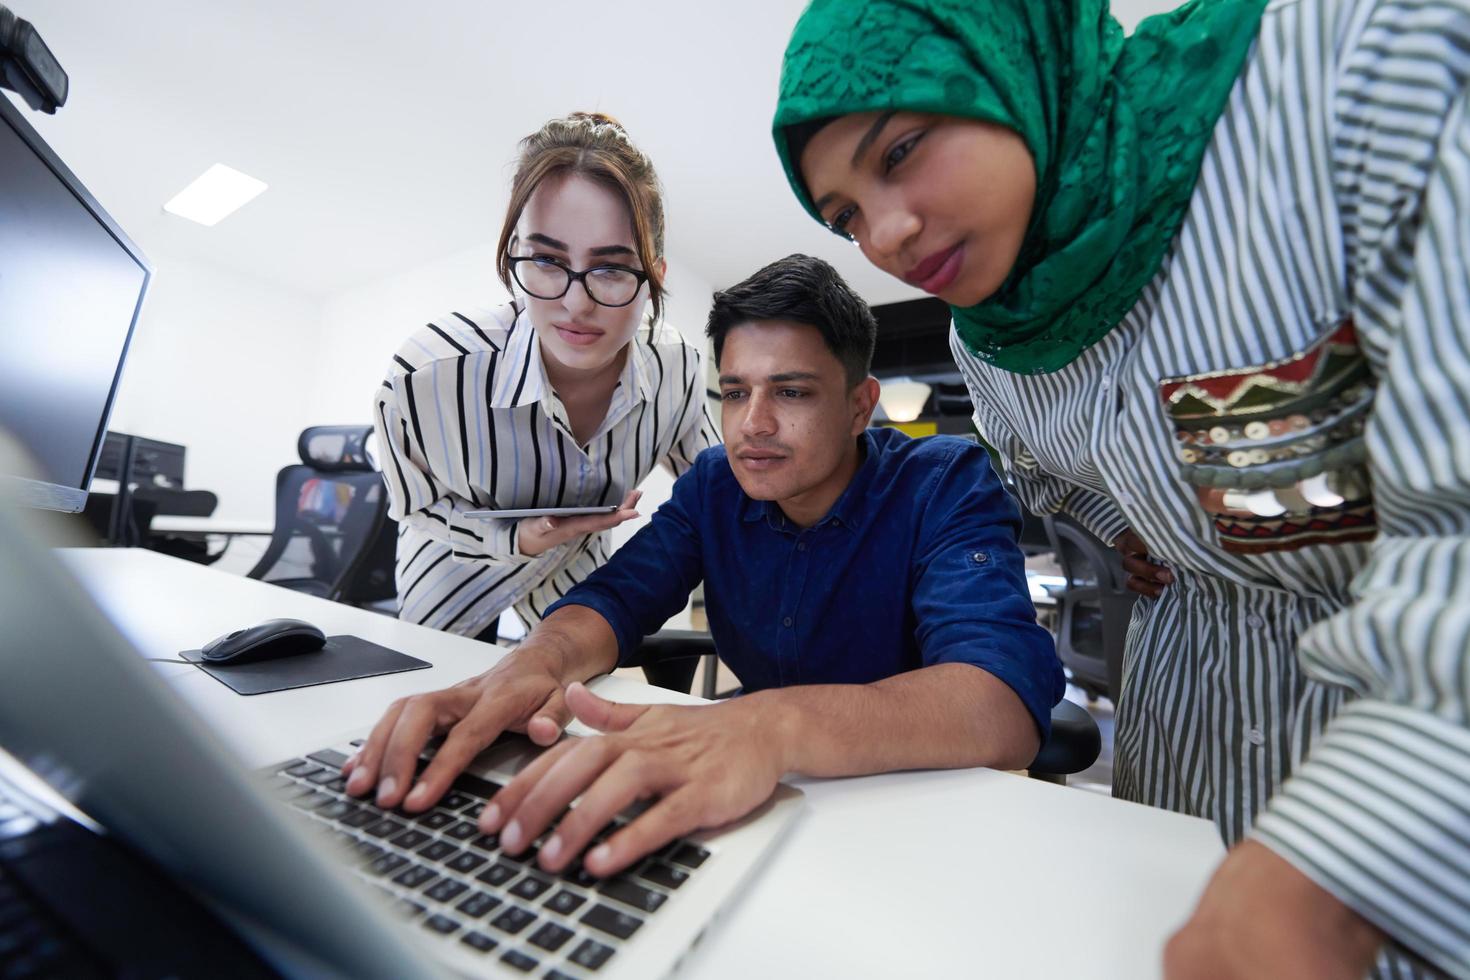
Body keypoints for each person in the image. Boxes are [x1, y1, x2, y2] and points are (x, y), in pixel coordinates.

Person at [771, 1, 1470, 977]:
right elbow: (1049, 474)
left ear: (1008, 54)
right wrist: (1149, 531)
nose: (884, 234)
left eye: (902, 149)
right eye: (842, 216)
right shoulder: (991, 337)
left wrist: (1332, 868)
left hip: (1416, 728)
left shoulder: (1346, 70)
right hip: (1192, 718)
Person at [344, 253, 1063, 877]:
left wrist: (766, 726)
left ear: (858, 406)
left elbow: (999, 706)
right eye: (735, 391)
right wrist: (541, 658)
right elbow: (619, 595)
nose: (753, 423)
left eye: (791, 391)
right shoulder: (715, 482)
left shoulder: (941, 479)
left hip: (918, 813)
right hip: (774, 800)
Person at [373, 112, 717, 641]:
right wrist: (514, 538)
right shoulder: (426, 376)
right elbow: (415, 506)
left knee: (583, 708)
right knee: (437, 701)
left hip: (578, 576)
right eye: (547, 261)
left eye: (612, 268)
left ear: (654, 278)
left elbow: (718, 491)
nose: (576, 305)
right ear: (516, 255)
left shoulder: (680, 370)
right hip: (451, 573)